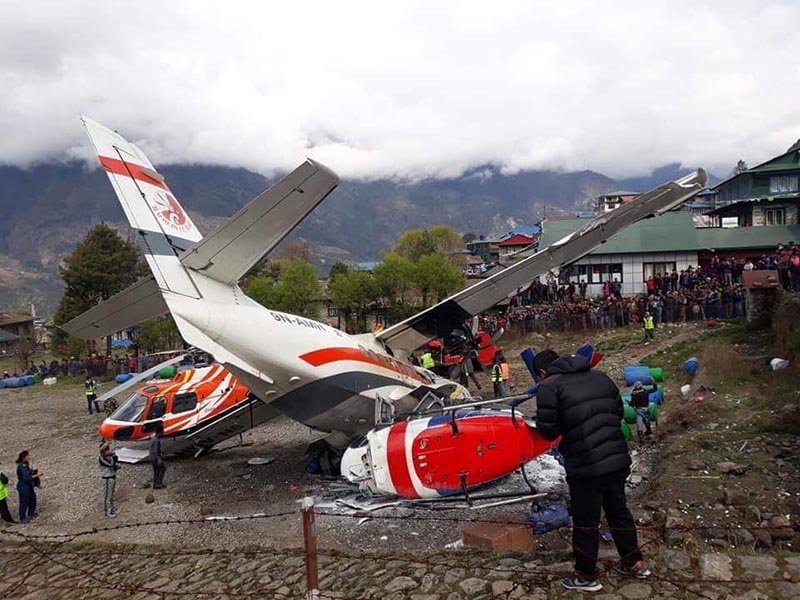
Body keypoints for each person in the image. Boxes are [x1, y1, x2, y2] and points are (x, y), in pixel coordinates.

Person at [534, 350, 649, 592]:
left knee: (586, 521)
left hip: (585, 465)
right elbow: (618, 412)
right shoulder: (601, 377)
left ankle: (586, 576)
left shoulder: (549, 387)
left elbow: (548, 432)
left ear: (542, 373)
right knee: (619, 512)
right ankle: (635, 562)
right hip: (616, 458)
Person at [16, 451, 40, 524]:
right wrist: (37, 475)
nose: (29, 457)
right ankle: (22, 518)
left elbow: (28, 473)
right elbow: (26, 477)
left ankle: (31, 513)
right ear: (24, 457)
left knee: (33, 499)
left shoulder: (26, 464)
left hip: (29, 485)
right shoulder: (21, 466)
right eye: (28, 456)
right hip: (23, 487)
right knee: (24, 502)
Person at [98, 444, 119, 517]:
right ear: (103, 452)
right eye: (107, 450)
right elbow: (110, 464)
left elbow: (116, 460)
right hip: (107, 478)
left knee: (111, 494)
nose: (108, 450)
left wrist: (114, 456)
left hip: (112, 476)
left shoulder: (109, 457)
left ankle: (112, 508)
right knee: (107, 496)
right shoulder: (101, 459)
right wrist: (112, 456)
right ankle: (108, 511)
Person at [149, 423, 167, 489]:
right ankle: (159, 483)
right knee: (163, 468)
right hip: (155, 458)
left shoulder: (153, 439)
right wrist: (159, 458)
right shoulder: (157, 440)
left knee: (156, 471)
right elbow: (155, 450)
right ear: (161, 432)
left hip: (151, 458)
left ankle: (155, 483)